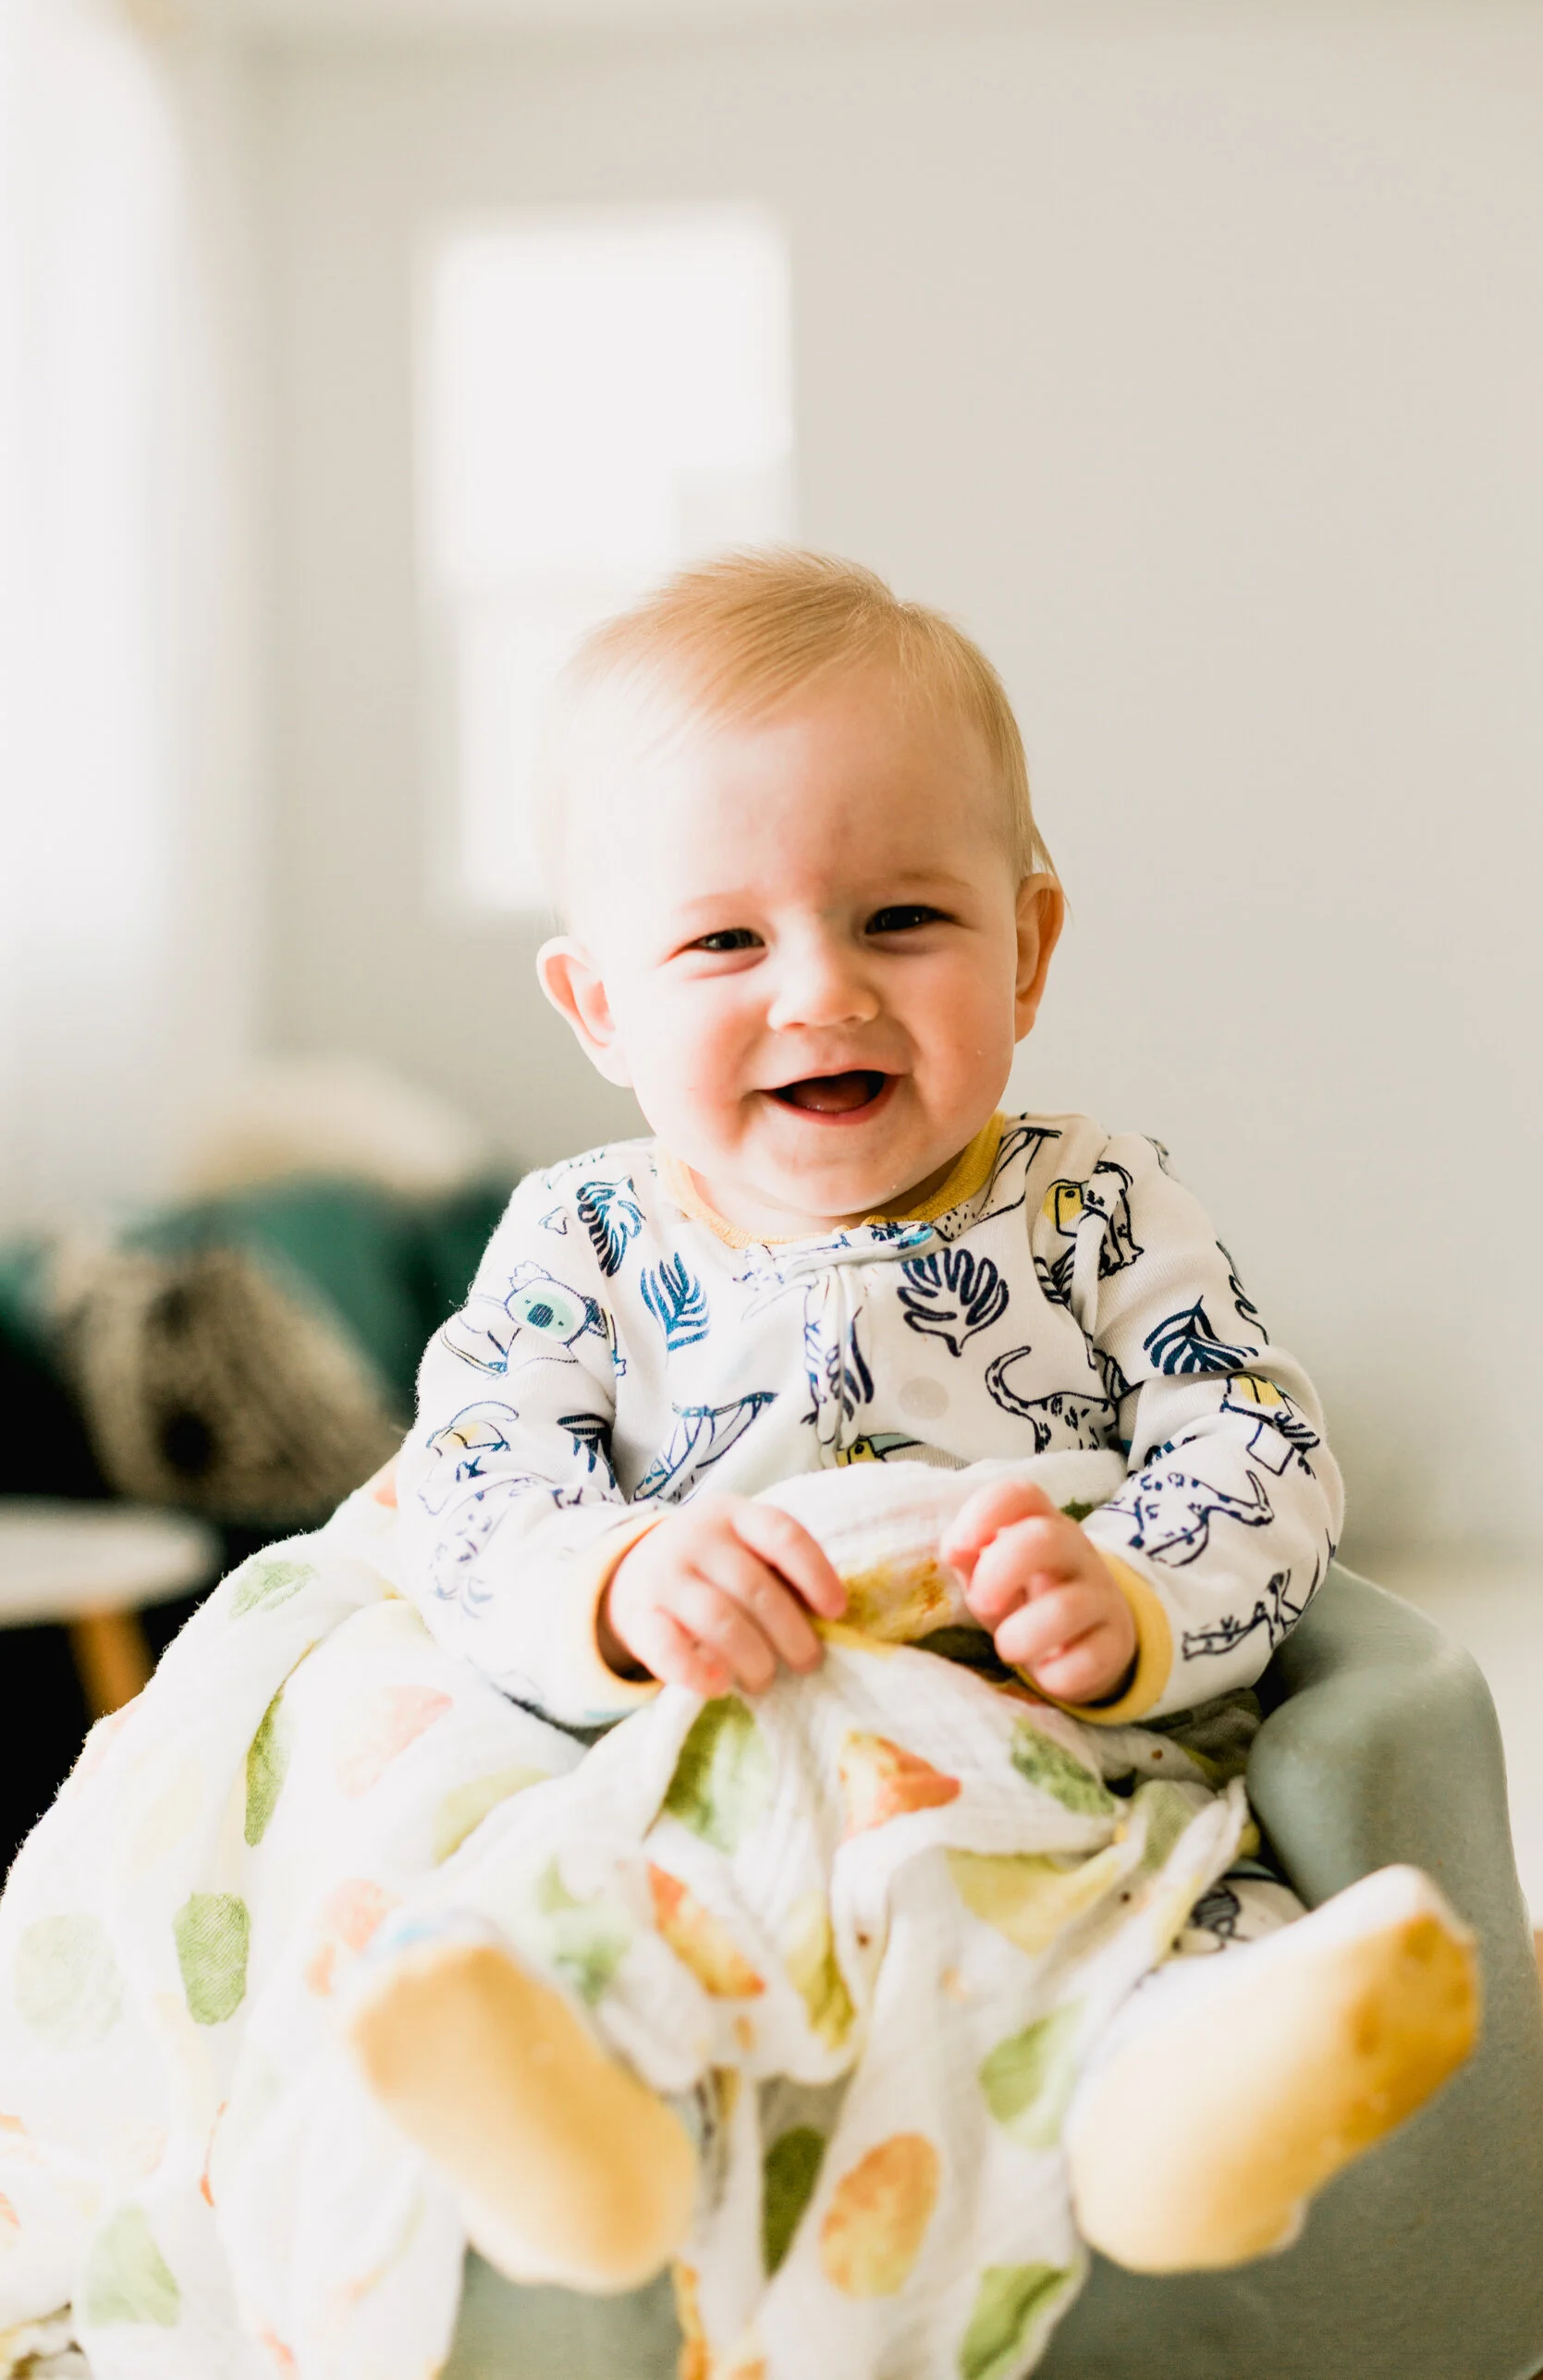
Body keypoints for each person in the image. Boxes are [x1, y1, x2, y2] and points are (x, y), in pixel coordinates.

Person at [347, 550, 1478, 2362]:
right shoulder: (586, 1240)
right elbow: (469, 1485)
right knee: (576, 1911)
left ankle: (1178, 2129)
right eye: (725, 942)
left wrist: (1130, 1598)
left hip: (1041, 1762)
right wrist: (621, 1583)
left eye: (900, 920)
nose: (822, 992)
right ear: (600, 1006)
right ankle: (587, 2148)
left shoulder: (1096, 1204)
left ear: (1026, 948)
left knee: (1152, 1925)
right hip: (702, 1763)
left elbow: (1251, 1432)